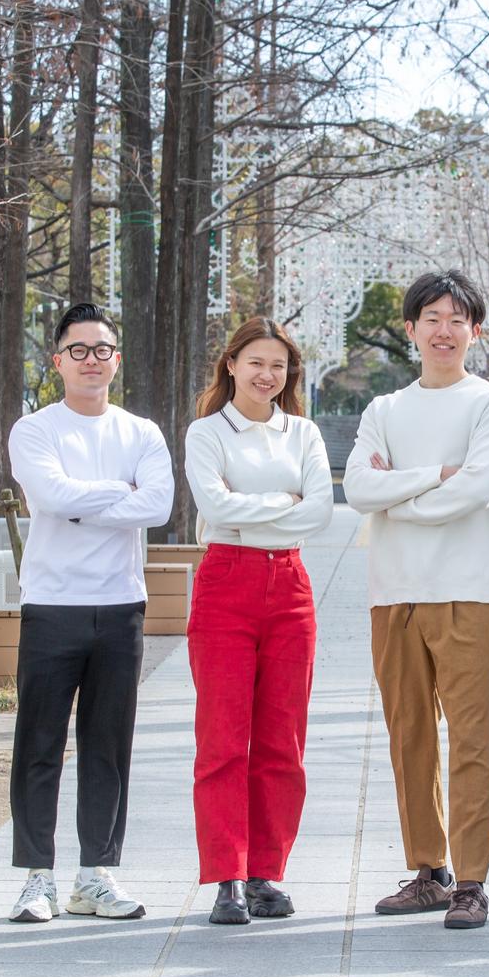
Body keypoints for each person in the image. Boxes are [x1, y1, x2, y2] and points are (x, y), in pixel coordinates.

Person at [343, 269, 489, 930]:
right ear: (411, 328)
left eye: (457, 320)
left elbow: (475, 490)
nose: (444, 331)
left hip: (466, 589)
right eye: (432, 319)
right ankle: (428, 871)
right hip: (393, 592)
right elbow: (358, 489)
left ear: (476, 331)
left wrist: (399, 497)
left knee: (471, 737)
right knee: (408, 735)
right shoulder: (384, 410)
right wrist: (431, 477)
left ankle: (472, 881)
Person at [6, 303, 173, 924]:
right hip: (51, 605)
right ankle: (37, 878)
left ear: (116, 360)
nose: (91, 360)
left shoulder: (141, 432)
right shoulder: (35, 430)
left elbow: (158, 506)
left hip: (121, 605)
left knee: (108, 746)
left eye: (102, 350)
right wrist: (117, 494)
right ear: (58, 361)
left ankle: (95, 876)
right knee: (39, 744)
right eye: (78, 350)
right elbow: (50, 496)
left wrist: (80, 504)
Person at [183, 318, 335, 925]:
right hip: (226, 582)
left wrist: (254, 511)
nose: (266, 374)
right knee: (222, 739)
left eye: (278, 365)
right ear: (231, 365)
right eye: (255, 362)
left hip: (291, 589)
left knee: (283, 741)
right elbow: (214, 507)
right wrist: (283, 504)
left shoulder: (303, 432)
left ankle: (265, 872)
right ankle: (227, 877)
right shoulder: (206, 433)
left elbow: (320, 512)